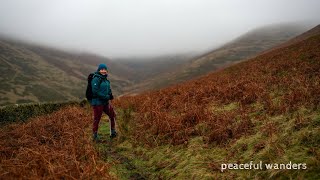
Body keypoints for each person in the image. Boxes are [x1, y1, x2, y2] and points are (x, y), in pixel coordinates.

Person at [91, 63, 117, 141]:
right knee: (97, 119)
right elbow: (95, 91)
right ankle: (95, 136)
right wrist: (105, 97)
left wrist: (110, 94)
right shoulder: (96, 79)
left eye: (105, 69)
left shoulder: (106, 80)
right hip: (98, 103)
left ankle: (112, 132)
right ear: (99, 70)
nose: (103, 71)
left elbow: (108, 89)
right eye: (102, 69)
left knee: (112, 115)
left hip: (105, 102)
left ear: (106, 70)